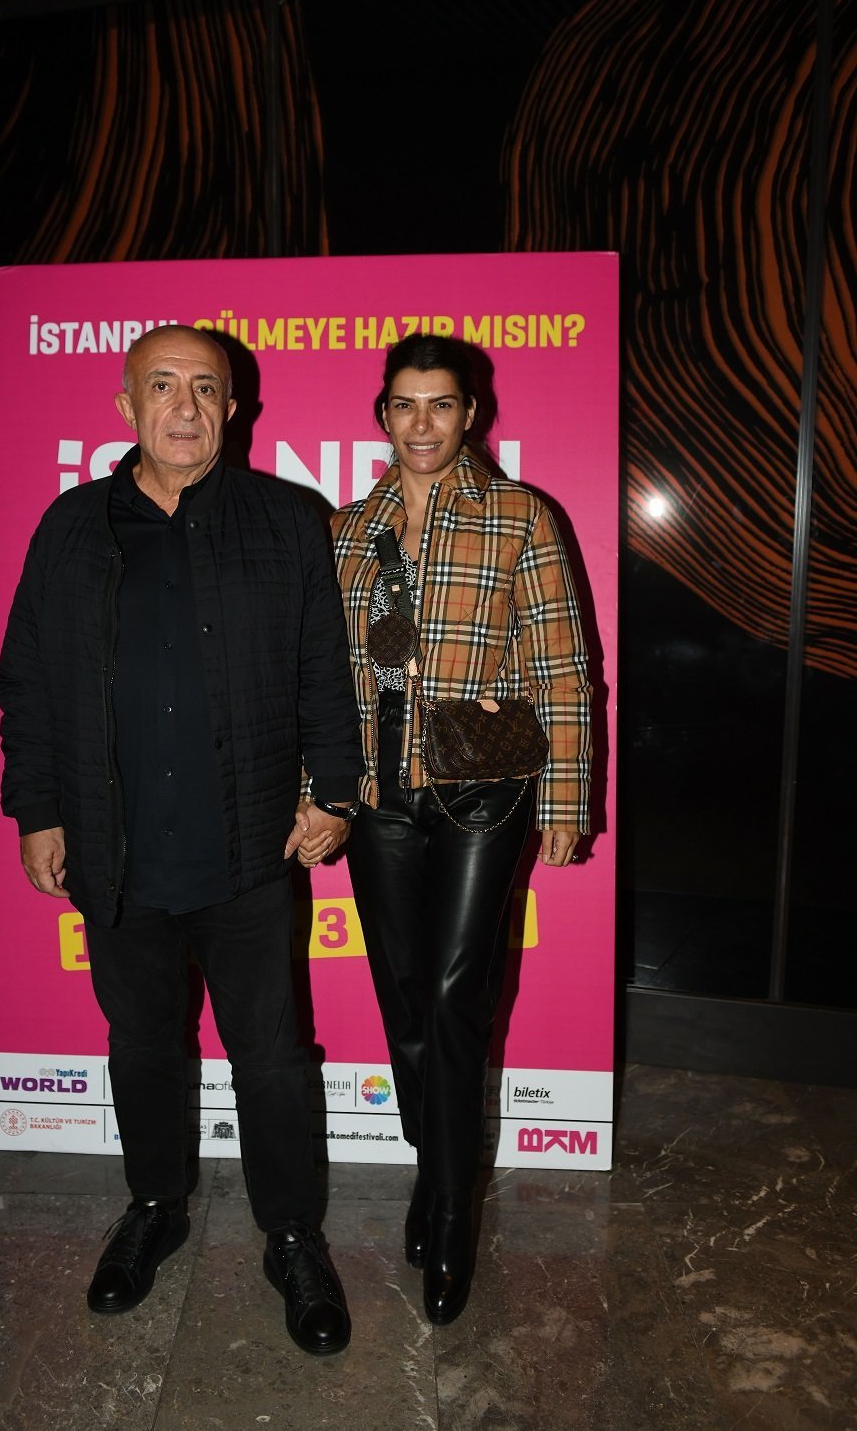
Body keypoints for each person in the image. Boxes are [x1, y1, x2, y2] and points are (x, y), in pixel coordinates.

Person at [0, 324, 364, 1355]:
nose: (186, 407)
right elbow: (27, 681)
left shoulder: (287, 521)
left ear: (234, 408)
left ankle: (291, 1236)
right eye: (163, 386)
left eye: (207, 387)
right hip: (114, 851)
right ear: (126, 406)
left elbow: (324, 671)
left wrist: (335, 791)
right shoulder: (71, 526)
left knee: (272, 1059)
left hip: (247, 849)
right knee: (143, 1045)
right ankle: (154, 1206)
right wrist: (37, 810)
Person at [329, 333, 592, 1325]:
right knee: (402, 997)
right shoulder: (348, 531)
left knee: (451, 994)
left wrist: (564, 800)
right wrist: (320, 788)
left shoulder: (520, 516)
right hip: (379, 788)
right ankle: (431, 1163)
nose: (423, 423)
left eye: (441, 404)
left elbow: (561, 668)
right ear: (382, 416)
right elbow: (326, 676)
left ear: (470, 414)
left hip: (484, 782)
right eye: (405, 404)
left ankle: (451, 1212)